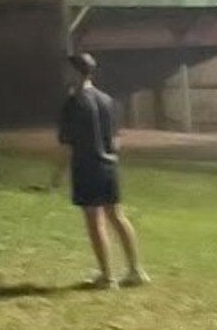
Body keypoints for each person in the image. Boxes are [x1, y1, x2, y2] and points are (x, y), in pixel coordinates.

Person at [58, 52, 150, 289]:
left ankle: (107, 276)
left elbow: (68, 143)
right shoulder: (107, 100)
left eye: (68, 70)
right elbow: (117, 140)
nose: (64, 74)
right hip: (109, 165)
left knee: (94, 221)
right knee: (117, 217)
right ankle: (135, 270)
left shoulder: (74, 102)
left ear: (77, 72)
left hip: (87, 166)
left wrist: (58, 174)